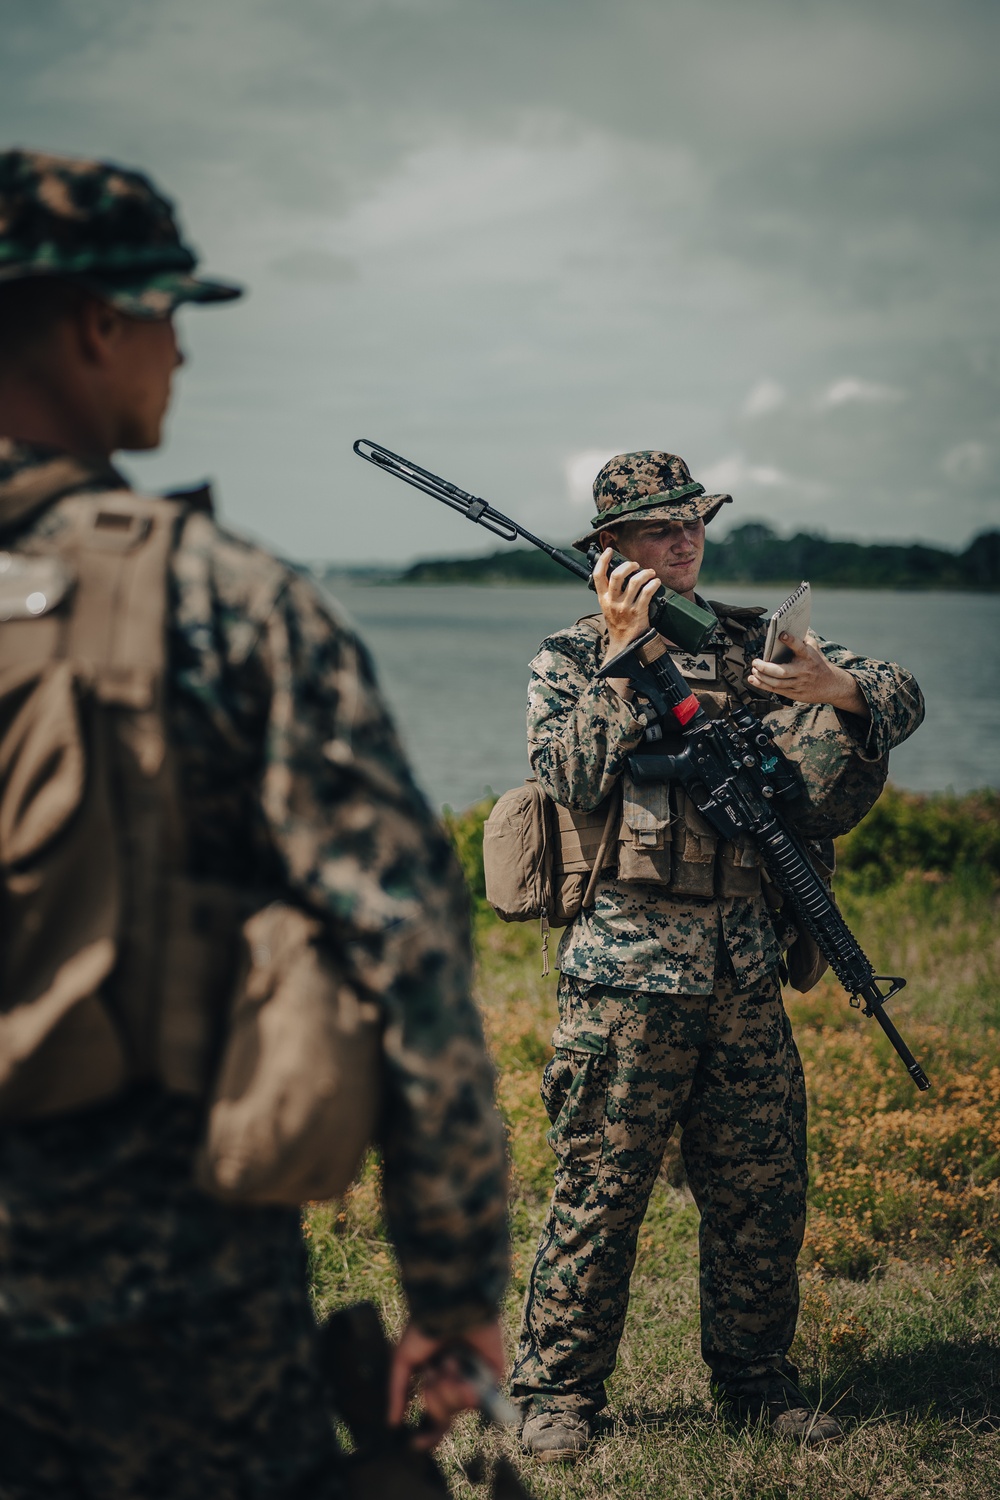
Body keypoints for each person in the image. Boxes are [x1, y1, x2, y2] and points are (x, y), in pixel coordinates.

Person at [0, 149, 509, 1498]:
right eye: (169, 314)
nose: (181, 355)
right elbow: (410, 946)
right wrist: (454, 1293)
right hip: (163, 1306)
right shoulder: (222, 602)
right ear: (98, 323)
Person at [510, 450, 924, 1461]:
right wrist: (621, 653)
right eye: (657, 529)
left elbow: (903, 697)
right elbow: (567, 772)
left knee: (760, 1193)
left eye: (692, 522)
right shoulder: (568, 656)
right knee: (598, 1192)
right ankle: (556, 1397)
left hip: (742, 969)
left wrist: (839, 688)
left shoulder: (752, 644)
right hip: (621, 975)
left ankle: (755, 1387)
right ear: (608, 551)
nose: (684, 540)